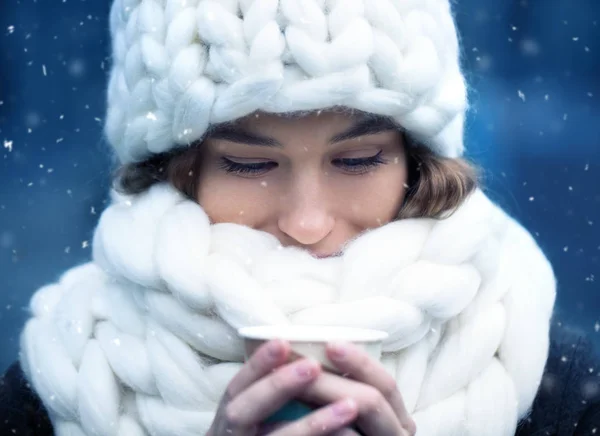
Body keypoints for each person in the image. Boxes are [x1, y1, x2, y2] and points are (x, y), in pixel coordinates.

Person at [1, 0, 599, 435]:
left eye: (359, 159)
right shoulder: (56, 385)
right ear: (175, 173)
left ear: (418, 165)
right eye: (246, 163)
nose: (307, 222)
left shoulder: (559, 390)